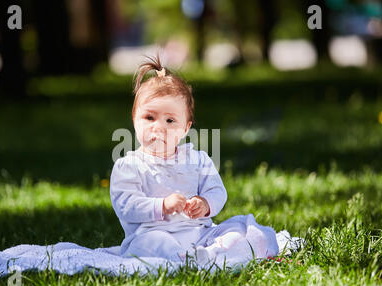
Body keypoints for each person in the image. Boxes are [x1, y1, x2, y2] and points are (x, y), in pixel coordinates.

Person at [109, 53, 279, 265]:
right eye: (149, 117)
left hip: (200, 235)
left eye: (170, 120)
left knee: (241, 228)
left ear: (185, 128)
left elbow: (217, 191)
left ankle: (212, 252)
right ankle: (188, 259)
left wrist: (206, 203)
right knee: (151, 243)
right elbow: (126, 205)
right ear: (134, 119)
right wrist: (162, 205)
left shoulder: (197, 160)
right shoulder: (129, 166)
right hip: (151, 234)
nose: (159, 127)